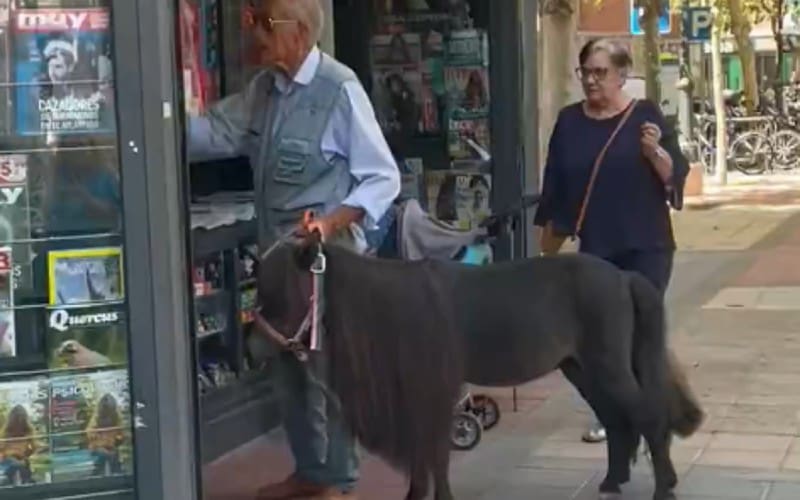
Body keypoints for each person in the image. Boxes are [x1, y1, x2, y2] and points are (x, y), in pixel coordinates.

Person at [187, 0, 401, 498]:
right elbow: (215, 131)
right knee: (286, 369)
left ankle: (338, 478)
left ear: (299, 31)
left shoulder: (339, 89)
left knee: (327, 373)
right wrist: (143, 123)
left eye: (263, 23)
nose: (252, 33)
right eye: (251, 21)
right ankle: (310, 472)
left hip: (328, 262)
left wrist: (329, 222)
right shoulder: (265, 89)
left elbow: (381, 177)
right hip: (278, 260)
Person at [534, 38, 689, 444]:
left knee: (638, 331)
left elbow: (675, 173)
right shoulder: (569, 121)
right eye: (585, 71)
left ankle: (652, 412)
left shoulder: (645, 116)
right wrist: (547, 240)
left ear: (622, 74)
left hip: (647, 245)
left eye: (600, 72)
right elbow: (556, 182)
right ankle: (616, 413)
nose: (590, 80)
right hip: (596, 248)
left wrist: (655, 152)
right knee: (600, 339)